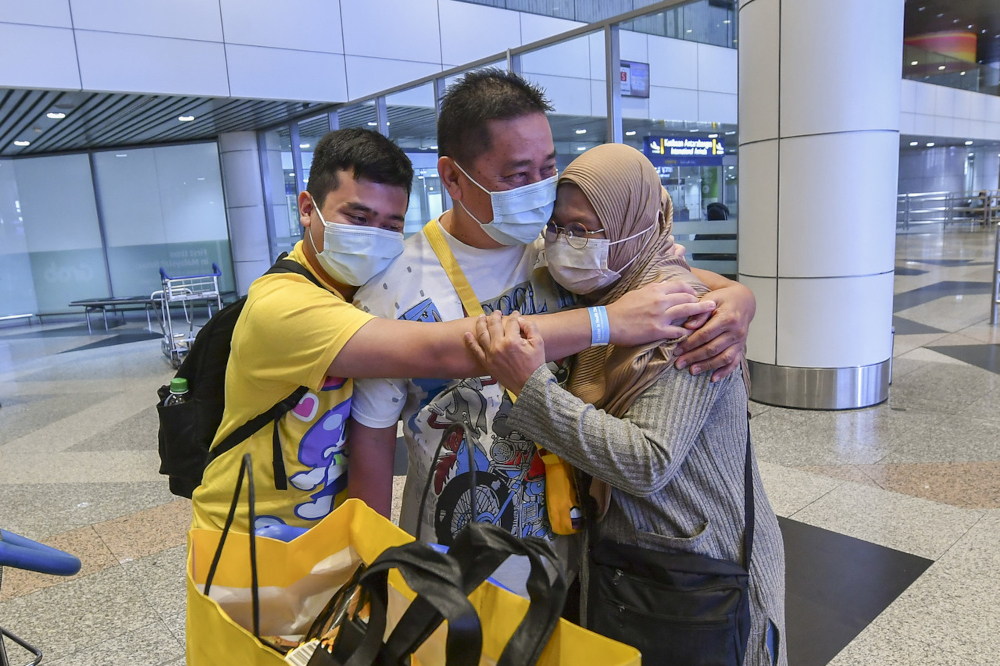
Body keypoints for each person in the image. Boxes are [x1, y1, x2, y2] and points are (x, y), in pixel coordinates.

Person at [191, 128, 716, 532]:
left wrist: (738, 297)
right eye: (357, 216)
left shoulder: (359, 284)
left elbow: (641, 267)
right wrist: (608, 322)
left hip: (330, 527)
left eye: (392, 223)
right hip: (253, 537)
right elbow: (443, 352)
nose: (376, 237)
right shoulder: (285, 307)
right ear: (308, 210)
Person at [348, 70, 757, 585]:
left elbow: (677, 277)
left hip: (581, 557)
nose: (539, 190)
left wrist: (740, 299)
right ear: (452, 178)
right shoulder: (390, 290)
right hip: (457, 565)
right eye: (517, 175)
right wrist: (366, 575)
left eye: (547, 167)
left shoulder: (563, 250)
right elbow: (373, 453)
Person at [464, 143, 785, 665]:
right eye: (558, 227)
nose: (565, 244)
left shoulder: (682, 317)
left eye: (585, 230)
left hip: (698, 568)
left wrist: (531, 386)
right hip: (634, 565)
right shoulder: (611, 291)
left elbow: (646, 461)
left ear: (633, 224)